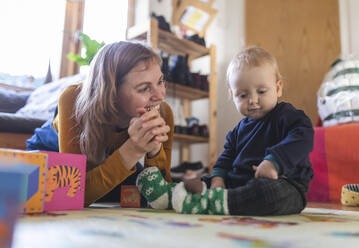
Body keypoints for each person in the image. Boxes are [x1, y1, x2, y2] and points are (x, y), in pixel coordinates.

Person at [136, 46, 314, 216]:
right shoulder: (238, 131)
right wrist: (218, 179)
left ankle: (211, 202)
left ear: (277, 88)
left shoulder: (287, 116)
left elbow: (304, 137)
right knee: (205, 180)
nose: (252, 100)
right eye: (243, 95)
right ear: (233, 95)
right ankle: (168, 195)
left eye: (261, 91)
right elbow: (226, 158)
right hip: (236, 184)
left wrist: (274, 162)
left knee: (270, 195)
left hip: (284, 183)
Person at [26, 41, 174, 207]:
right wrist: (133, 150)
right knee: (46, 194)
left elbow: (162, 196)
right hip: (54, 152)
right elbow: (71, 193)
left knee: (138, 194)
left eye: (160, 81)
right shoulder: (72, 99)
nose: (160, 95)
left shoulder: (163, 111)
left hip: (108, 157)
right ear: (112, 93)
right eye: (144, 88)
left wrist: (155, 151)